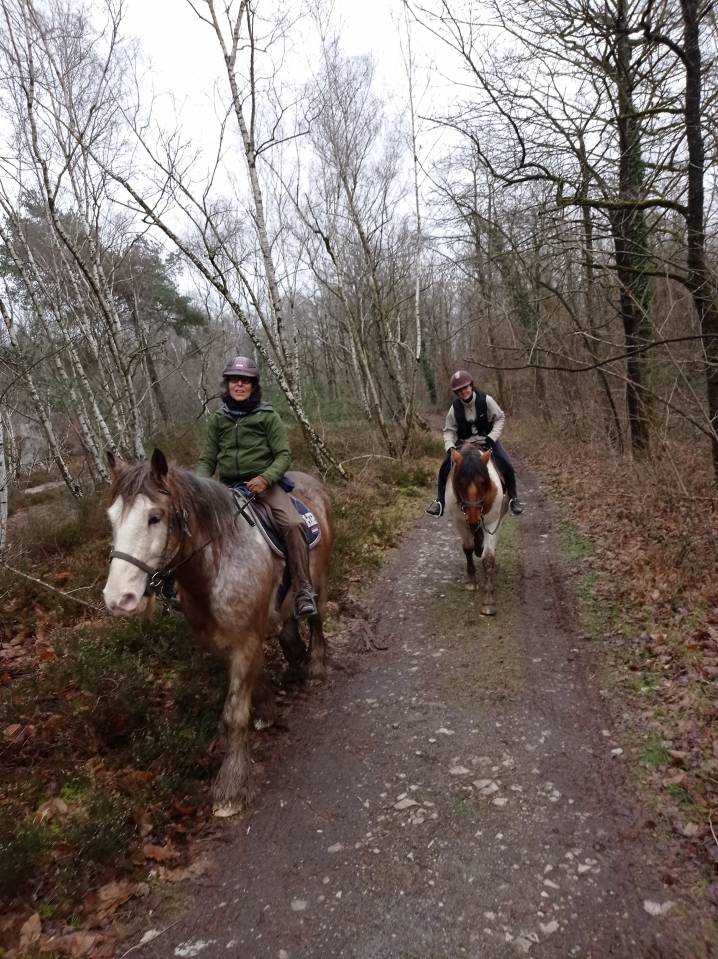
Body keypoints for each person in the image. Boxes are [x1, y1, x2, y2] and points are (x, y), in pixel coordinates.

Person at [196, 355, 317, 618]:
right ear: (227, 384)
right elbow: (207, 459)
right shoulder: (219, 419)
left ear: (253, 385)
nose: (239, 385)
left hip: (265, 486)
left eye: (245, 381)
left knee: (293, 524)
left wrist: (265, 478)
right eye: (234, 380)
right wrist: (199, 487)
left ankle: (303, 589)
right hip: (227, 488)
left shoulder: (267, 416)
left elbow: (283, 455)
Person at [426, 369, 524, 517]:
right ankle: (439, 502)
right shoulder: (454, 408)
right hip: (464, 444)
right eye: (459, 390)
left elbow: (500, 417)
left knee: (506, 463)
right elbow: (449, 430)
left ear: (471, 385)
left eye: (465, 387)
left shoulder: (486, 400)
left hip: (487, 441)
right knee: (444, 467)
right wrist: (450, 446)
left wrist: (492, 436)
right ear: (456, 393)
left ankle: (514, 499)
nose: (463, 392)